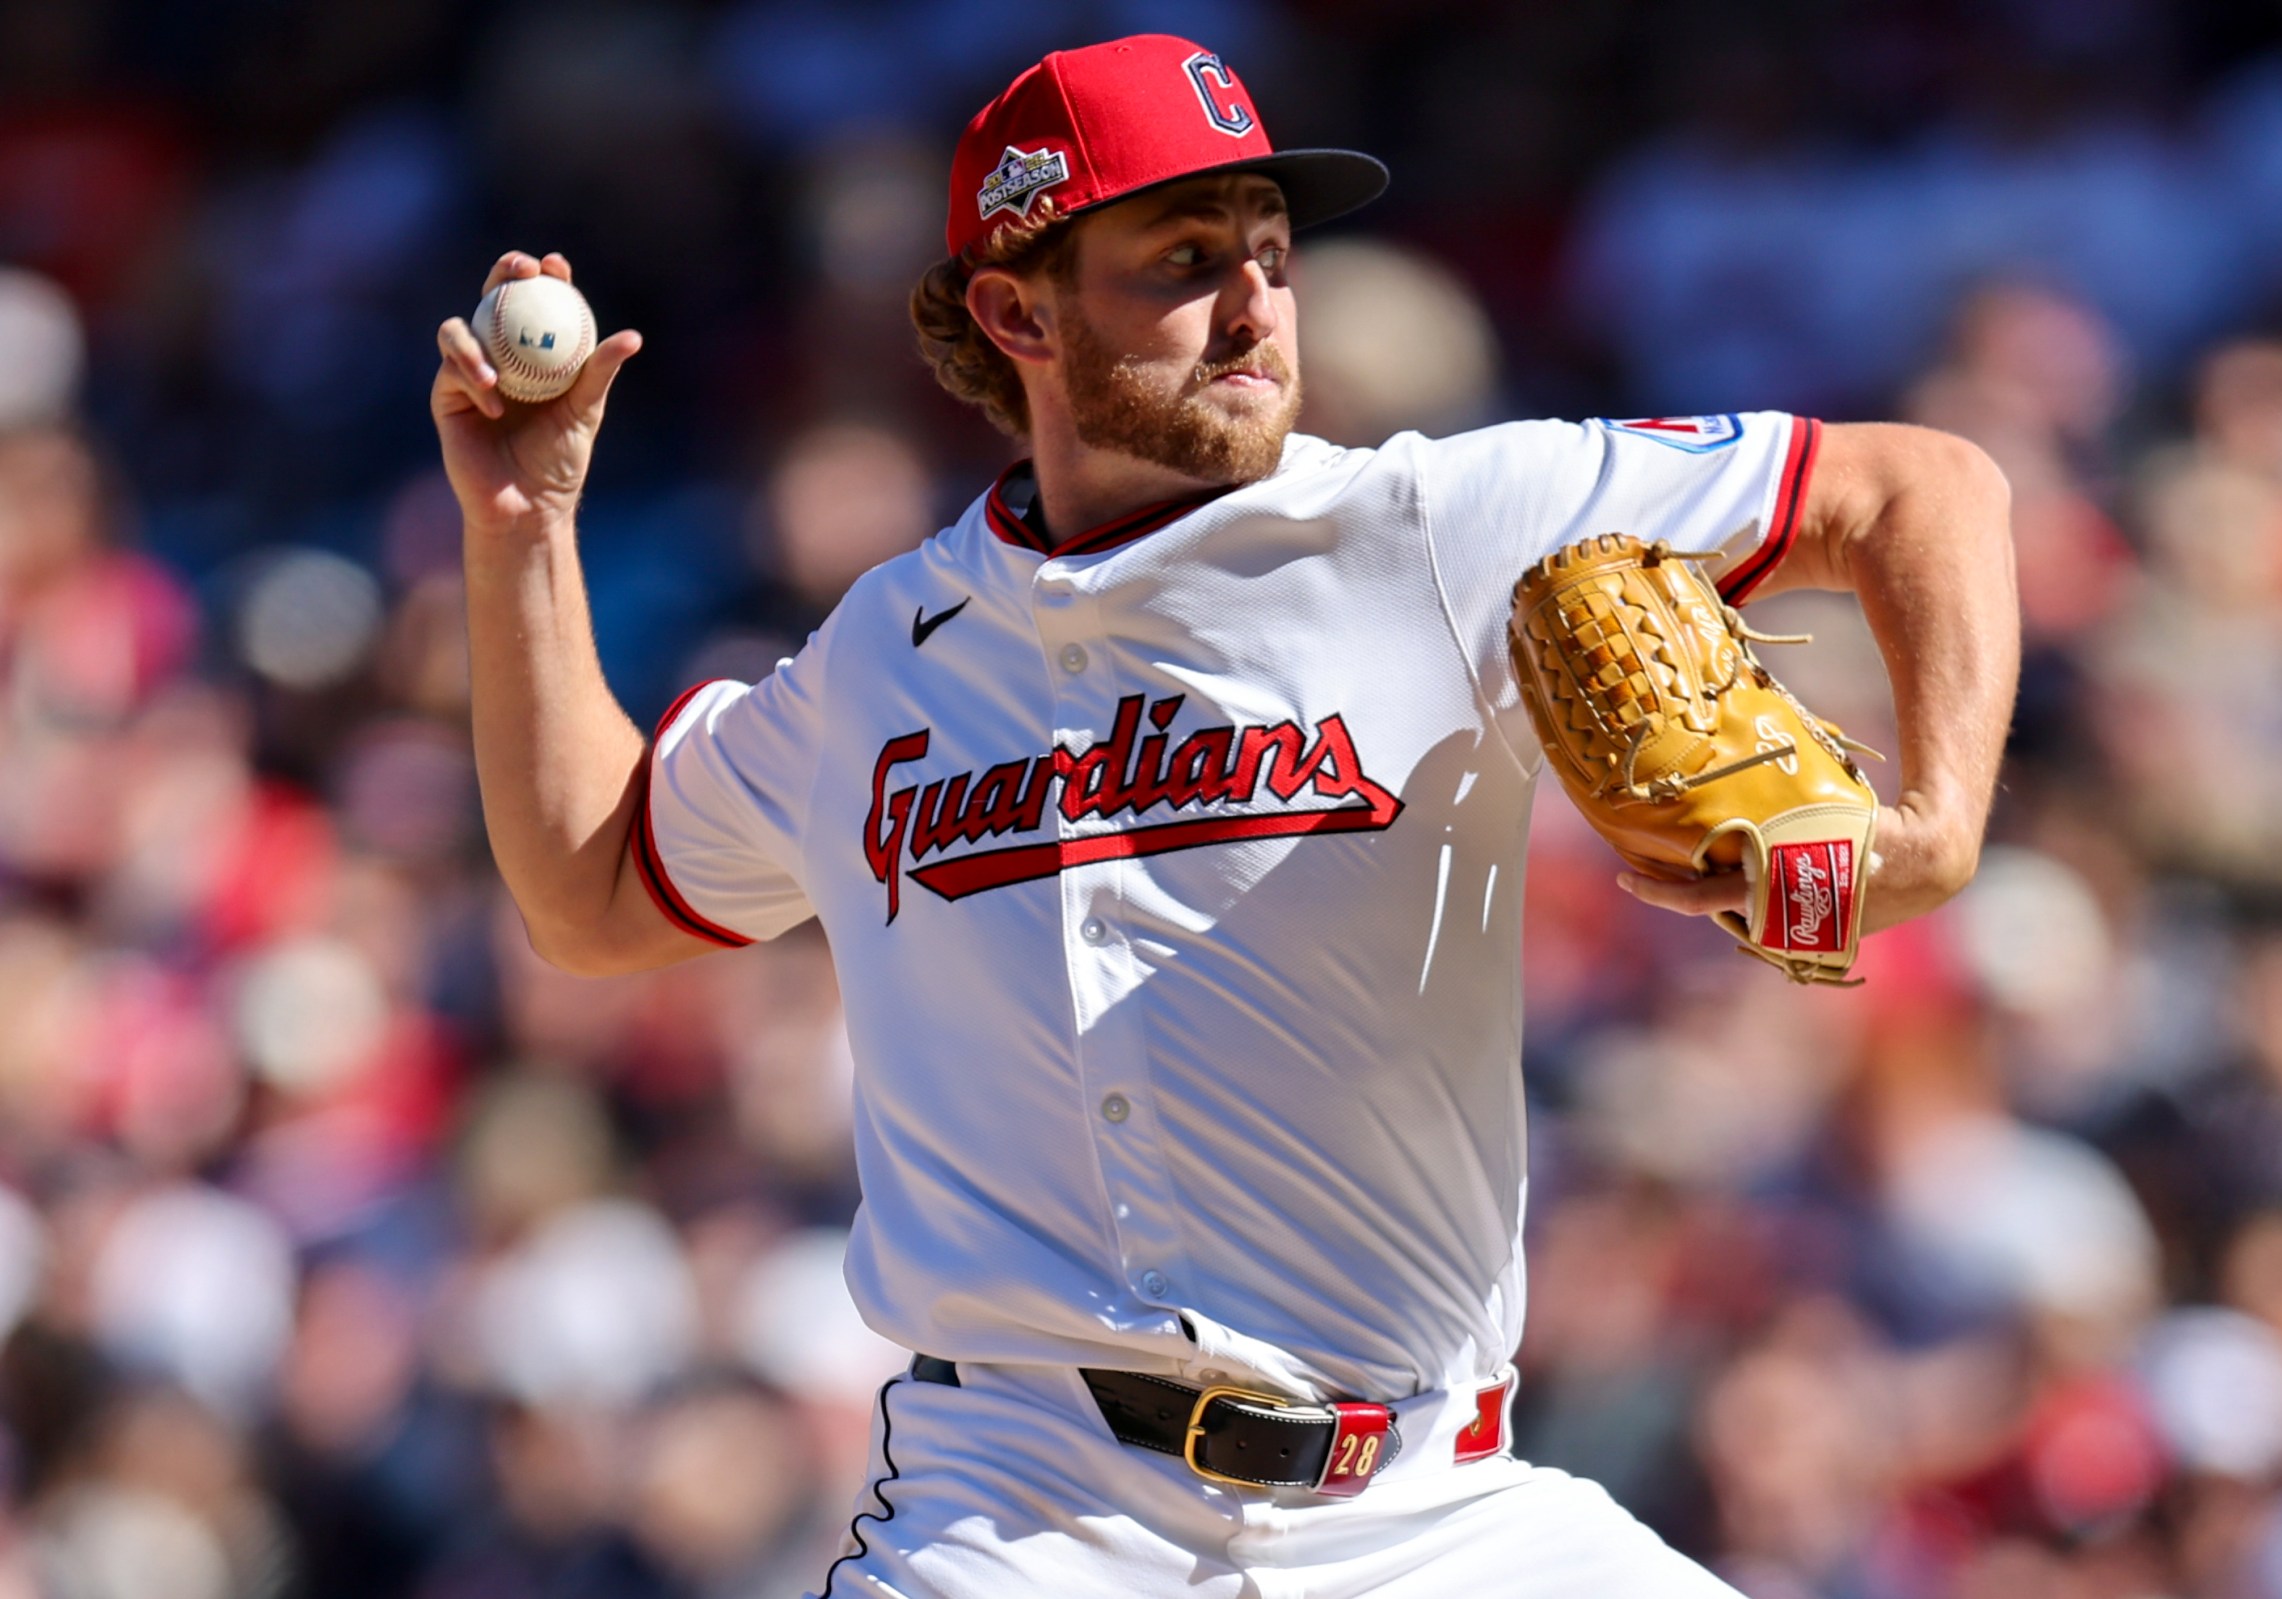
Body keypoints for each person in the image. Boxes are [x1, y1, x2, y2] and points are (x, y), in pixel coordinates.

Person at [430, 33, 2017, 1599]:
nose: (1257, 301)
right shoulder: (879, 663)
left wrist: (1936, 823)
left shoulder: (1433, 526)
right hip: (1024, 1519)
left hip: (1434, 1516)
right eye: (1186, 258)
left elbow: (1922, 489)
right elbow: (595, 894)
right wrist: (523, 531)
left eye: (1271, 249)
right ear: (1013, 311)